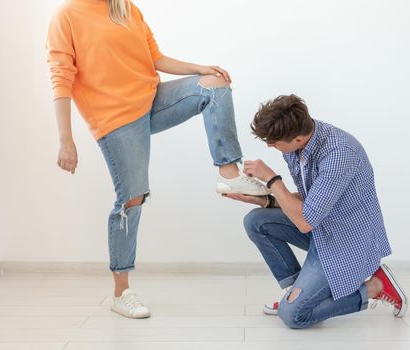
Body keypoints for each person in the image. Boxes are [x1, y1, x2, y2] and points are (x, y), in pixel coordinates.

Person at [46, 0, 268, 319]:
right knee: (131, 198)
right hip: (115, 120)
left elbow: (155, 58)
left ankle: (229, 172)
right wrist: (65, 140)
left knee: (215, 85)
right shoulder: (66, 16)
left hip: (152, 100)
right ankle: (121, 292)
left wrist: (200, 68)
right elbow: (61, 79)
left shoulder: (126, 8)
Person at [224, 94, 408, 328]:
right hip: (321, 227)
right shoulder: (298, 145)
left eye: (274, 142)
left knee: (294, 317)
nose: (270, 146)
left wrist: (272, 179)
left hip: (345, 242)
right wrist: (264, 200)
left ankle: (376, 287)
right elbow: (311, 200)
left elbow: (305, 221)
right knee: (256, 221)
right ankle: (295, 293)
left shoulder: (339, 154)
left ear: (298, 138)